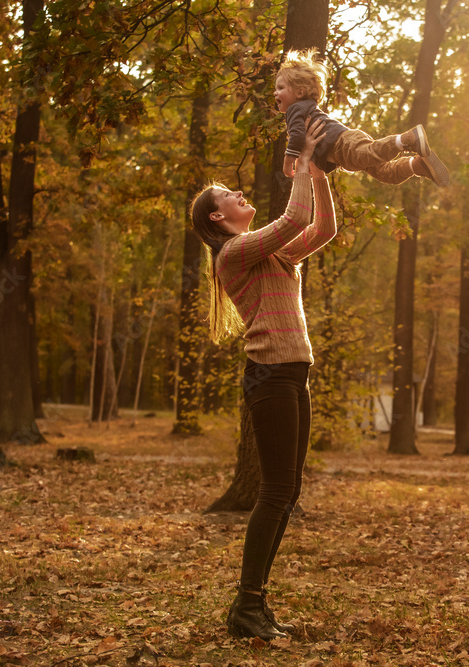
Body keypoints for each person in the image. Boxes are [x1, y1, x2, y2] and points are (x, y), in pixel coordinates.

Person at [189, 119, 335, 641]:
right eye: (230, 193)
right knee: (275, 491)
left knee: (287, 490)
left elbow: (321, 230)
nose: (241, 192)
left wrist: (317, 173)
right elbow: (295, 216)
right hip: (270, 375)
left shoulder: (266, 251)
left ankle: (254, 604)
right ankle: (246, 605)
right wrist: (302, 164)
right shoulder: (235, 253)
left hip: (295, 374)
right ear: (217, 215)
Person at [277, 48, 450, 188]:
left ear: (299, 91)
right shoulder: (307, 109)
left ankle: (407, 139)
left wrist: (288, 161)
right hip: (346, 143)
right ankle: (417, 165)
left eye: (280, 88)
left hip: (342, 145)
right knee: (385, 173)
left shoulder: (294, 109)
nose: (275, 93)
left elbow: (297, 136)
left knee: (368, 154)